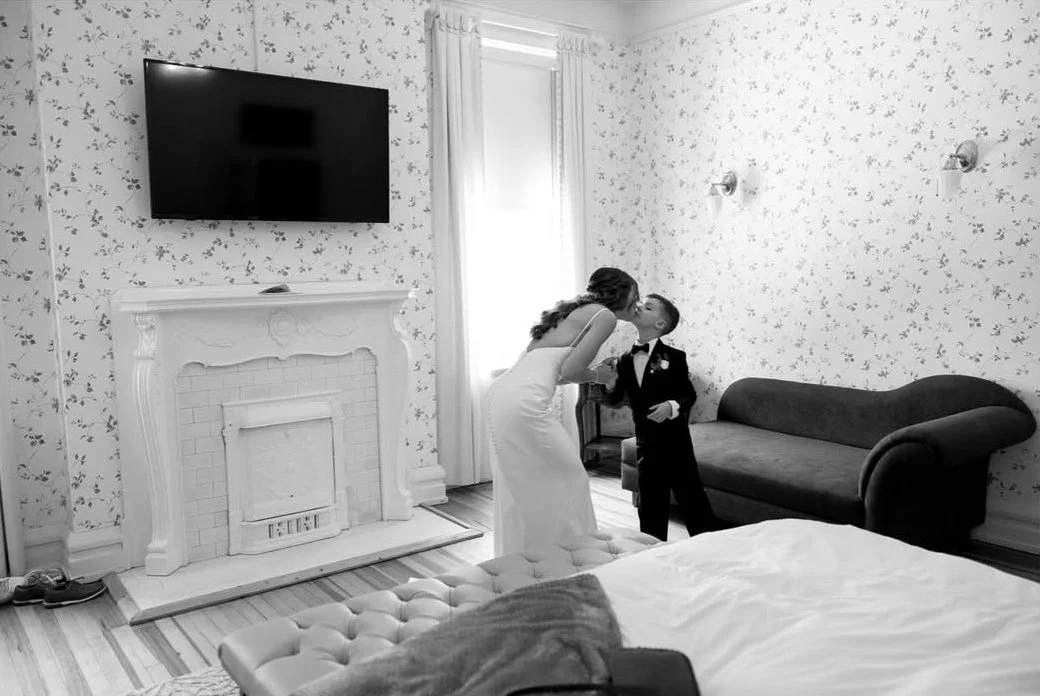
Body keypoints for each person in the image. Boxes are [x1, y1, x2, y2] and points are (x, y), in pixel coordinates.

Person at [487, 267, 641, 556]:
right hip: (524, 403)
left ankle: (534, 555)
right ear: (621, 292)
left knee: (525, 480)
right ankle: (573, 555)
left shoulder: (574, 313)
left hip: (503, 395)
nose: (638, 299)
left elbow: (558, 374)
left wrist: (596, 375)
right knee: (570, 476)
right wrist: (600, 377)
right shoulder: (603, 317)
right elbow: (570, 370)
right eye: (635, 293)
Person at [601, 293, 717, 541]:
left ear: (660, 324)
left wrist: (671, 405)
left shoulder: (675, 357)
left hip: (676, 442)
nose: (640, 306)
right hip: (646, 442)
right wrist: (609, 385)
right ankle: (651, 548)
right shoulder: (624, 360)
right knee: (650, 500)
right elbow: (614, 399)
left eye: (648, 306)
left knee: (691, 496)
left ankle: (708, 543)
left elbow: (688, 394)